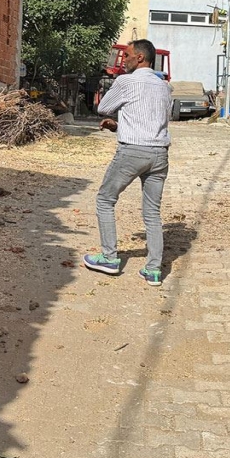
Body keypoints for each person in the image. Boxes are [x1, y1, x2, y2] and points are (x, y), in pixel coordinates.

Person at [83, 39, 172, 286]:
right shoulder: (165, 86)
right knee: (152, 212)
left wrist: (116, 119)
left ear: (140, 58)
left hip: (132, 152)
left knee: (105, 199)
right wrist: (121, 125)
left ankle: (110, 258)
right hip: (160, 154)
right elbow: (154, 120)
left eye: (128, 56)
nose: (125, 61)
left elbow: (104, 107)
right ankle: (154, 270)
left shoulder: (126, 81)